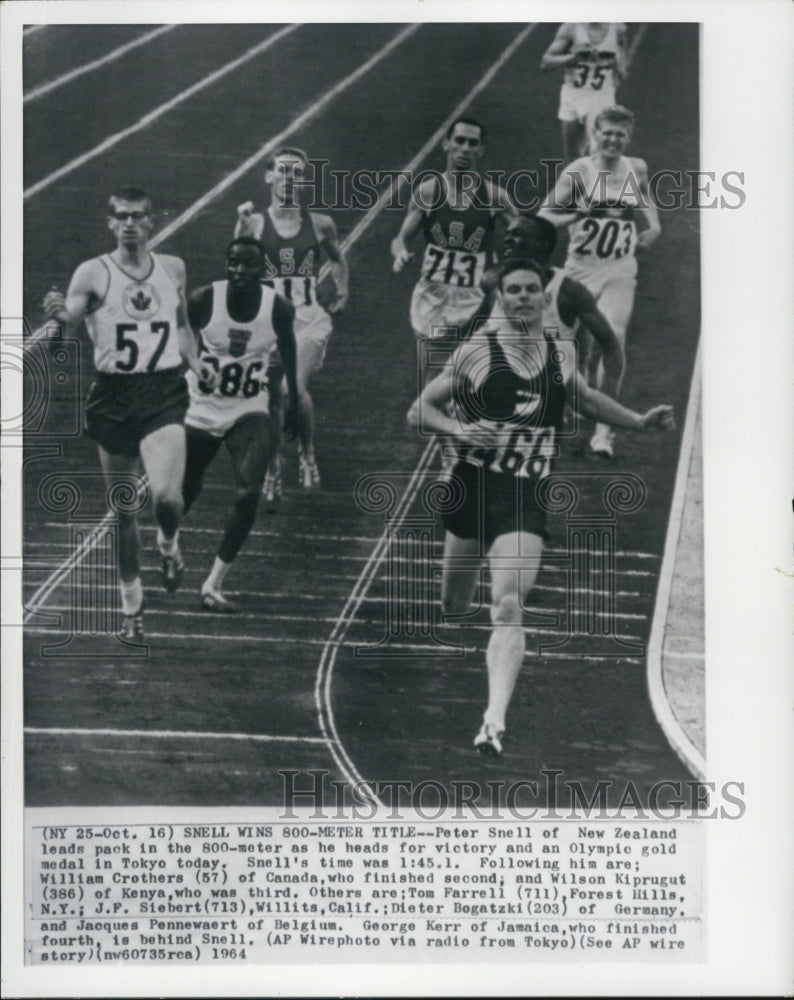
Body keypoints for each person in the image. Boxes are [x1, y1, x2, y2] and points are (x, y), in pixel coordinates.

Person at [407, 258, 675, 756]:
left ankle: (494, 720)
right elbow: (419, 410)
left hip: (525, 493)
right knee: (454, 605)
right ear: (502, 298)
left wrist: (639, 422)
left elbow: (586, 400)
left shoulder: (557, 352)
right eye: (515, 290)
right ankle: (485, 667)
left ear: (544, 297)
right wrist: (461, 430)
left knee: (508, 605)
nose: (525, 297)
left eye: (533, 288)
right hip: (472, 484)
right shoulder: (477, 351)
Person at [42, 185, 202, 642]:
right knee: (124, 511)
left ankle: (169, 544)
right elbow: (68, 324)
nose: (130, 223)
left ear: (152, 221)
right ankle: (132, 606)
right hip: (114, 398)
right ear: (110, 223)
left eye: (138, 216)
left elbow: (183, 326)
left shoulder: (173, 268)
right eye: (121, 216)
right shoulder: (92, 272)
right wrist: (56, 320)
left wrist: (197, 362)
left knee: (168, 499)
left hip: (163, 392)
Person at [181, 237, 298, 612]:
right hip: (200, 406)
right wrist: (193, 366)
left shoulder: (277, 307)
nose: (238, 271)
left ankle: (213, 584)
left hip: (249, 406)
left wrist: (293, 397)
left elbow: (289, 346)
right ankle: (166, 545)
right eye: (232, 263)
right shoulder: (204, 299)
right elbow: (179, 334)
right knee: (183, 489)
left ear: (263, 271)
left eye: (248, 265)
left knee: (249, 492)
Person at [539, 105, 661, 457]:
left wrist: (654, 227)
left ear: (628, 137)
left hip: (620, 269)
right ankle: (559, 407)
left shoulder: (635, 167)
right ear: (595, 133)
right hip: (580, 270)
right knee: (567, 347)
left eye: (620, 135)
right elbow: (543, 215)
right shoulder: (579, 172)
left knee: (615, 338)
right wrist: (577, 213)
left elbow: (645, 196)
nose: (612, 139)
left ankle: (604, 432)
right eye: (606, 132)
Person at [235, 146, 348, 501]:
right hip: (266, 325)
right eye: (282, 171)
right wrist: (240, 227)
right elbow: (235, 263)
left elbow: (338, 257)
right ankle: (273, 467)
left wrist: (342, 289)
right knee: (268, 400)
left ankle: (307, 452)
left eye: (296, 172)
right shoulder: (253, 223)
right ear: (269, 176)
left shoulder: (319, 223)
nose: (288, 178)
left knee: (291, 390)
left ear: (303, 181)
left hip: (308, 321)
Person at [391, 117, 518, 386]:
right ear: (446, 144)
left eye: (473, 143)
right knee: (434, 380)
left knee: (470, 381)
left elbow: (524, 235)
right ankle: (437, 425)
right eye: (459, 140)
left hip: (477, 302)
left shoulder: (494, 197)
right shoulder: (428, 192)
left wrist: (502, 269)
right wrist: (400, 252)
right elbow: (400, 239)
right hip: (432, 301)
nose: (465, 148)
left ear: (481, 150)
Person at [468, 213, 624, 404]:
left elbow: (612, 347)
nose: (507, 239)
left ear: (541, 245)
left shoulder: (569, 292)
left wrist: (607, 407)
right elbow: (475, 327)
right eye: (507, 233)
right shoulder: (493, 282)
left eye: (517, 234)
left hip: (547, 397)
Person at [540, 22, 627, 163]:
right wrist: (572, 58)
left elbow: (622, 52)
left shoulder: (618, 29)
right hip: (573, 96)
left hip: (602, 97)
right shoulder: (571, 28)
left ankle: (595, 182)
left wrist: (619, 67)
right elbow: (545, 62)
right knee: (573, 157)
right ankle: (577, 182)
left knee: (600, 153)